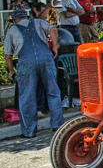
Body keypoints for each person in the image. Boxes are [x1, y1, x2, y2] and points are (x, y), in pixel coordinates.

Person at [3, 8, 64, 138]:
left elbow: (8, 55)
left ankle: (29, 131)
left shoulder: (12, 30)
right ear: (27, 16)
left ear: (14, 20)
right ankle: (57, 125)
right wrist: (54, 47)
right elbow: (53, 29)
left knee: (27, 96)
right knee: (53, 92)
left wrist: (11, 71)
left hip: (26, 62)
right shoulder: (37, 22)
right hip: (46, 58)